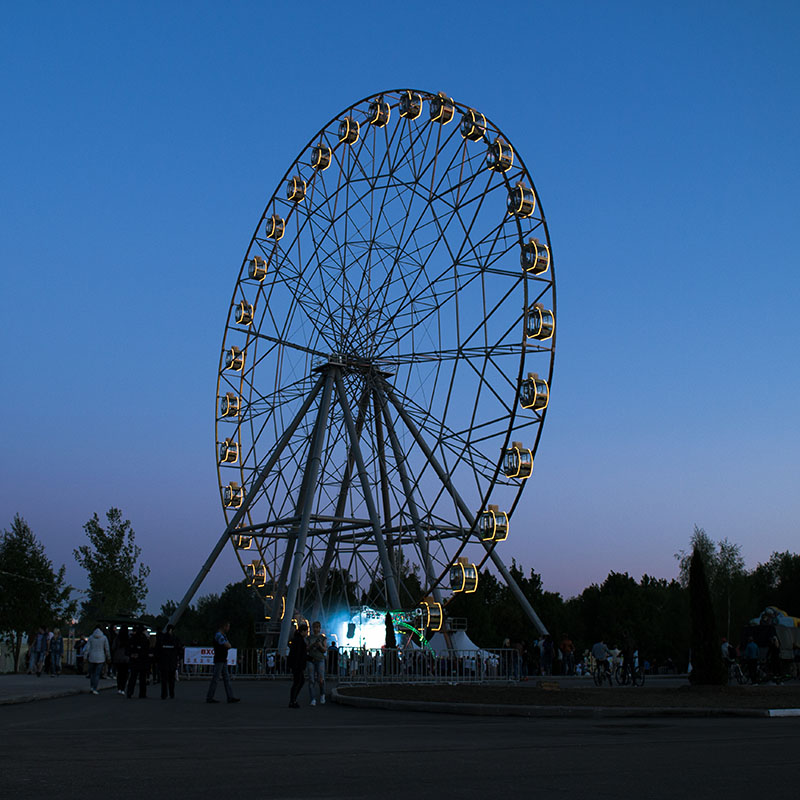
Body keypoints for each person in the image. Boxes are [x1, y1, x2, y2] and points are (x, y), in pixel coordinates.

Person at [206, 621, 240, 704]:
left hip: (222, 659)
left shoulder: (222, 636)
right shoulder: (219, 636)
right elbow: (227, 645)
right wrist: (227, 645)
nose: (228, 628)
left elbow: (228, 645)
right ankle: (210, 697)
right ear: (224, 627)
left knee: (226, 679)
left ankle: (230, 697)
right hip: (219, 659)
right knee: (216, 679)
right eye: (228, 626)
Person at [156, 624, 181, 699]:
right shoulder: (175, 638)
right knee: (171, 679)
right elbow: (178, 649)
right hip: (172, 661)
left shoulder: (162, 638)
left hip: (164, 661)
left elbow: (158, 650)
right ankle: (171, 694)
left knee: (164, 680)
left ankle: (164, 694)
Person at [126, 624, 151, 699]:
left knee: (133, 677)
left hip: (134, 660)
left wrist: (131, 654)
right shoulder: (145, 639)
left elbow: (128, 649)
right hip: (142, 660)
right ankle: (142, 693)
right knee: (142, 678)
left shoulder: (132, 638)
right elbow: (147, 650)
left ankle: (130, 692)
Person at [287, 622, 308, 708]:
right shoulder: (299, 640)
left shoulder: (297, 639)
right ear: (303, 631)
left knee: (300, 681)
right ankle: (293, 701)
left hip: (297, 665)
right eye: (306, 631)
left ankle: (293, 700)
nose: (307, 633)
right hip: (297, 665)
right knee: (298, 682)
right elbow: (299, 654)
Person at [306, 621, 327, 706]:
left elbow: (324, 650)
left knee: (321, 679)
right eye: (314, 627)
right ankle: (312, 698)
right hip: (311, 659)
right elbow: (307, 648)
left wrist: (319, 645)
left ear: (319, 628)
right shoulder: (309, 638)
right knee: (311, 679)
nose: (316, 629)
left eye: (317, 627)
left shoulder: (323, 638)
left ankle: (322, 694)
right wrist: (312, 645)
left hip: (320, 659)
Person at [85, 625, 110, 695]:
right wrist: (108, 657)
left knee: (92, 673)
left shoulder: (91, 637)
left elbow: (87, 648)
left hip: (92, 657)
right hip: (101, 657)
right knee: (97, 674)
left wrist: (85, 656)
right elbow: (107, 648)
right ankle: (95, 688)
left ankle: (92, 687)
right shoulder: (104, 638)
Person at [112, 627, 130, 695]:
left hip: (118, 657)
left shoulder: (117, 638)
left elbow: (113, 647)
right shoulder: (128, 638)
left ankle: (119, 688)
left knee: (119, 673)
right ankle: (123, 688)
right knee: (125, 674)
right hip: (126, 658)